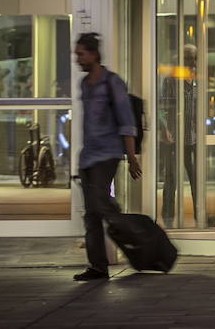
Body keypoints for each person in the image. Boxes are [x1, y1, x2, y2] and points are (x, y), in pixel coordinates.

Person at [72, 32, 142, 281]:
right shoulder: (84, 84)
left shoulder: (112, 82)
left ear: (93, 54)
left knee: (102, 206)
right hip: (87, 156)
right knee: (92, 212)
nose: (77, 59)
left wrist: (131, 158)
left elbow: (126, 121)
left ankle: (140, 239)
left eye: (80, 54)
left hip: (108, 154)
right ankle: (98, 267)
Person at [158, 44, 199, 227]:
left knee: (197, 180)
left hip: (192, 138)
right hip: (173, 139)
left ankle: (201, 216)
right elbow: (163, 108)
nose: (192, 62)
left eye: (194, 58)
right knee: (171, 180)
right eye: (189, 58)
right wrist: (164, 129)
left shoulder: (197, 80)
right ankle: (168, 218)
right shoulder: (171, 80)